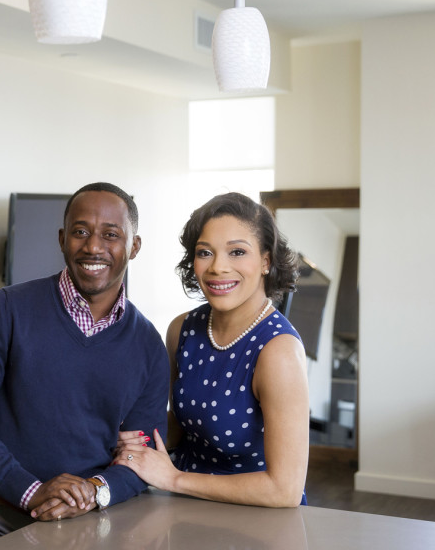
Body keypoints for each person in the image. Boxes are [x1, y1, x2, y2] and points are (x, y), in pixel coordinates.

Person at [0, 182, 169, 550]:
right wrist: (31, 492)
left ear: (134, 247)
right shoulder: (5, 311)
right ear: (62, 239)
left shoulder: (149, 346)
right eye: (80, 232)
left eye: (111, 234)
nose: (93, 246)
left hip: (91, 527)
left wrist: (92, 492)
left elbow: (141, 457)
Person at [114, 192, 309, 507]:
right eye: (205, 252)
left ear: (265, 261)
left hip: (256, 523)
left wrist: (173, 478)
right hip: (186, 505)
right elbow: (186, 423)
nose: (218, 267)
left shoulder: (278, 352)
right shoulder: (183, 330)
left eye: (237, 252)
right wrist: (139, 441)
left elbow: (283, 490)